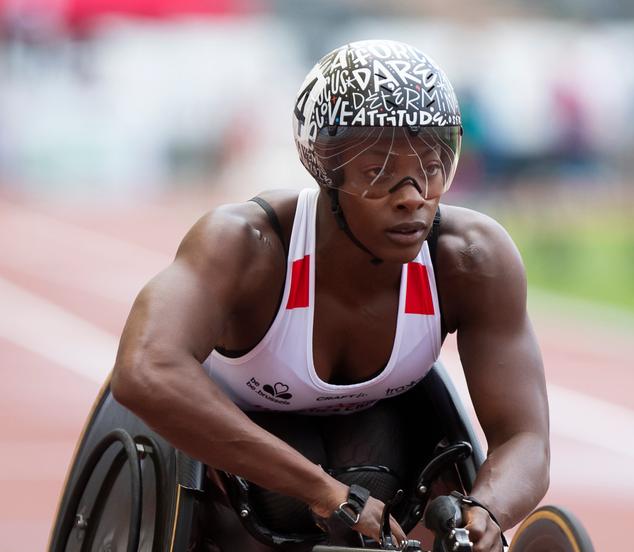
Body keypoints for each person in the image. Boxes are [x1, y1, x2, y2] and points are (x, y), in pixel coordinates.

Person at [111, 39, 550, 552]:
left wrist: (486, 510)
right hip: (241, 460)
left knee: (392, 480)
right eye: (380, 173)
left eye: (431, 167)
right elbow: (145, 369)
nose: (412, 195)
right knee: (293, 501)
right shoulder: (247, 245)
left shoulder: (470, 258)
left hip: (388, 442)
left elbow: (526, 438)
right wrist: (323, 492)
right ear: (326, 170)